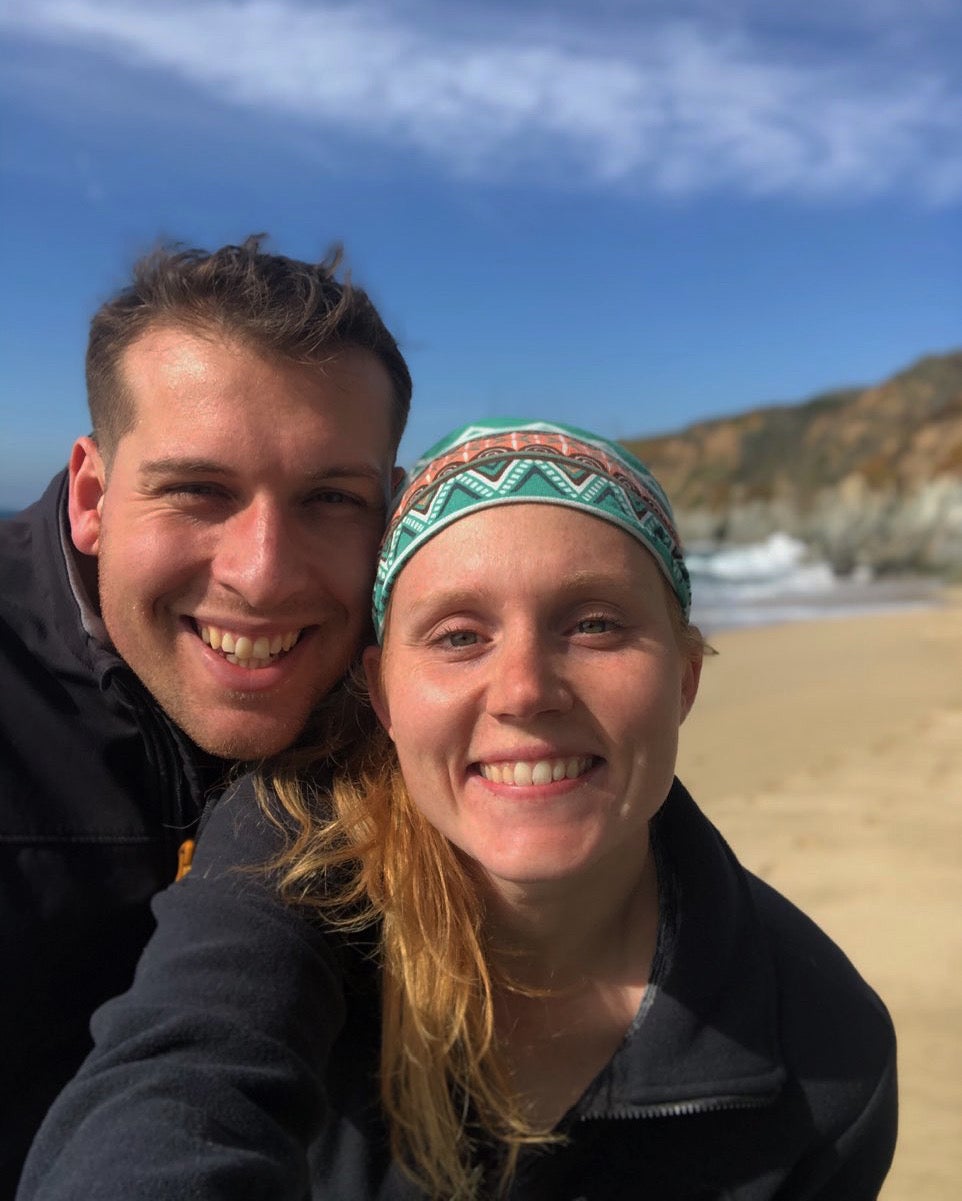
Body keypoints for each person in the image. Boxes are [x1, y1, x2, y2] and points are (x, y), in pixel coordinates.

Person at [19, 420, 897, 1200]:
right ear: (384, 695)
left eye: (593, 624)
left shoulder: (828, 1056)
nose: (523, 691)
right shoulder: (288, 858)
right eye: (459, 636)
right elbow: (179, 1084)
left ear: (684, 679)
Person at [0, 234, 411, 1193]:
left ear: (390, 512)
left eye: (330, 498)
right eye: (197, 490)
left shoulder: (422, 685)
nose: (262, 573)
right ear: (94, 495)